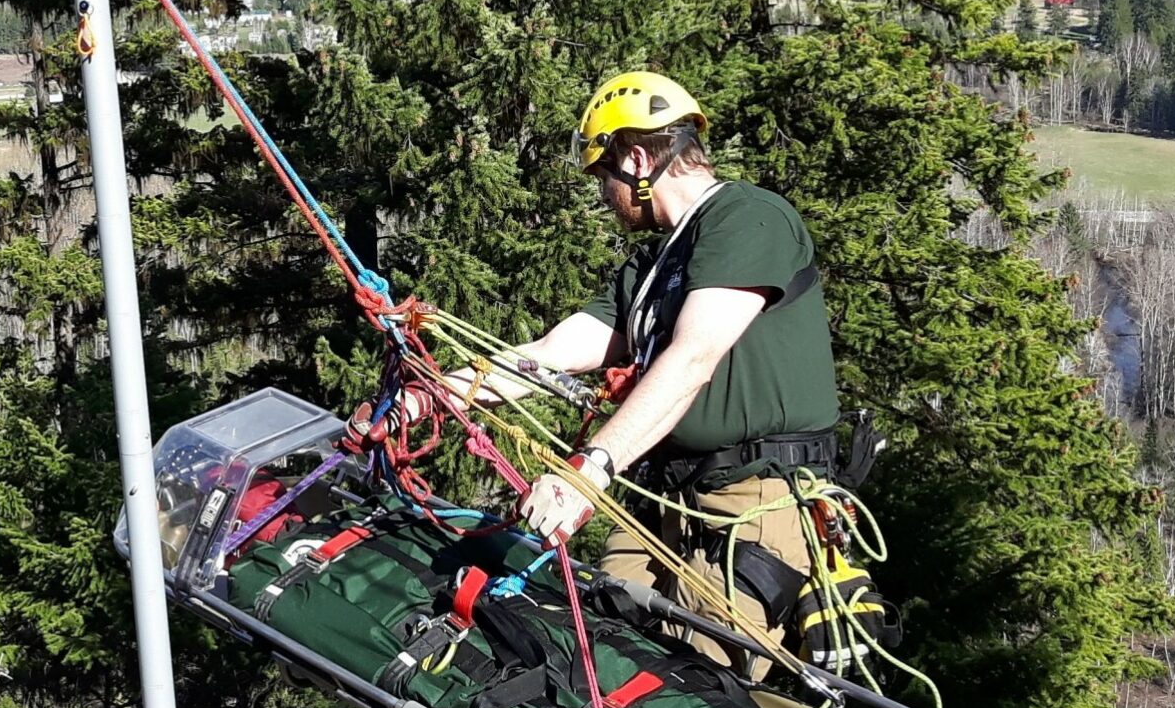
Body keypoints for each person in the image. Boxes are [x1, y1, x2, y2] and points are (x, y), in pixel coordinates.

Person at [350, 70, 840, 674]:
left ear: (636, 160)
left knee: (707, 685)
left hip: (753, 498)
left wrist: (590, 470)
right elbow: (554, 351)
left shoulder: (746, 218)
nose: (603, 194)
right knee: (607, 656)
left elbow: (693, 358)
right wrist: (430, 400)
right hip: (668, 497)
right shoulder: (652, 266)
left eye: (602, 176)